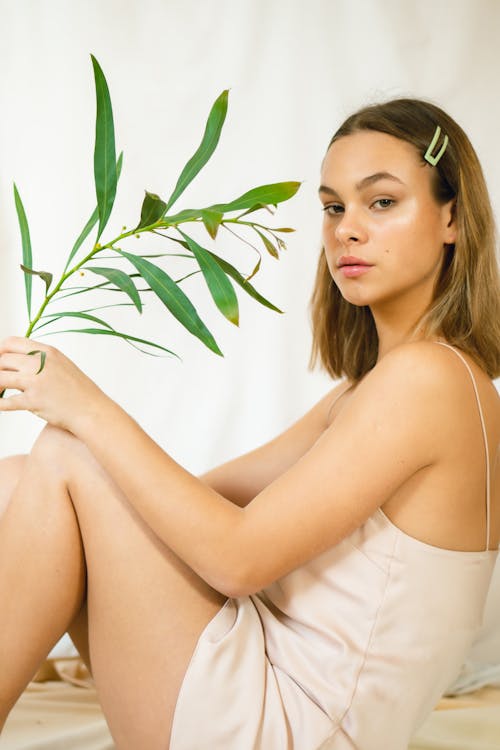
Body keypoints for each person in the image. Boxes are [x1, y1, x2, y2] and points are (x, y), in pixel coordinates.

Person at [0, 97, 499, 750]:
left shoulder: (429, 381)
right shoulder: (377, 390)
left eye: (381, 203)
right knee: (28, 477)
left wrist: (84, 405)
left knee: (67, 455)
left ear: (451, 218)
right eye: (333, 206)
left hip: (289, 727)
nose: (347, 230)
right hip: (264, 682)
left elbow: (237, 561)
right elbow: (197, 502)